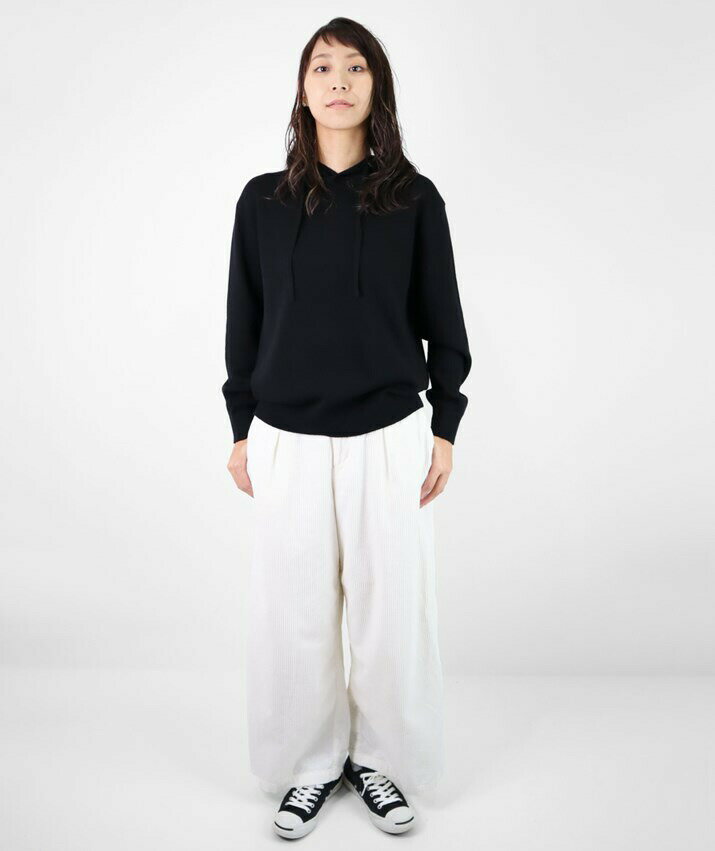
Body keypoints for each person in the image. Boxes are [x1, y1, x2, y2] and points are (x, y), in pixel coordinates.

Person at [222, 17, 471, 839]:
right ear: (302, 90)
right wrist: (240, 425)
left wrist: (445, 424)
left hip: (390, 434)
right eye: (322, 67)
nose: (338, 80)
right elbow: (244, 320)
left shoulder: (413, 198)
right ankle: (307, 766)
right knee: (293, 613)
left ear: (376, 88)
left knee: (389, 611)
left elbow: (443, 319)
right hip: (285, 436)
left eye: (355, 67)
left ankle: (382, 763)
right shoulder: (262, 202)